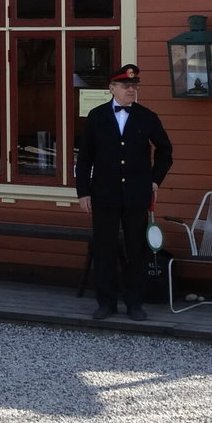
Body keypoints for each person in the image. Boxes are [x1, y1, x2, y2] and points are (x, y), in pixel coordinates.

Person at [76, 63, 173, 321]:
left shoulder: (146, 116)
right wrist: (83, 192)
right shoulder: (96, 116)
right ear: (112, 88)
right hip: (104, 194)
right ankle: (106, 303)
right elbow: (84, 158)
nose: (131, 90)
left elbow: (165, 152)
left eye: (134, 86)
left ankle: (134, 303)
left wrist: (155, 181)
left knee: (136, 250)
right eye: (125, 86)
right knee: (104, 249)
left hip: (136, 195)